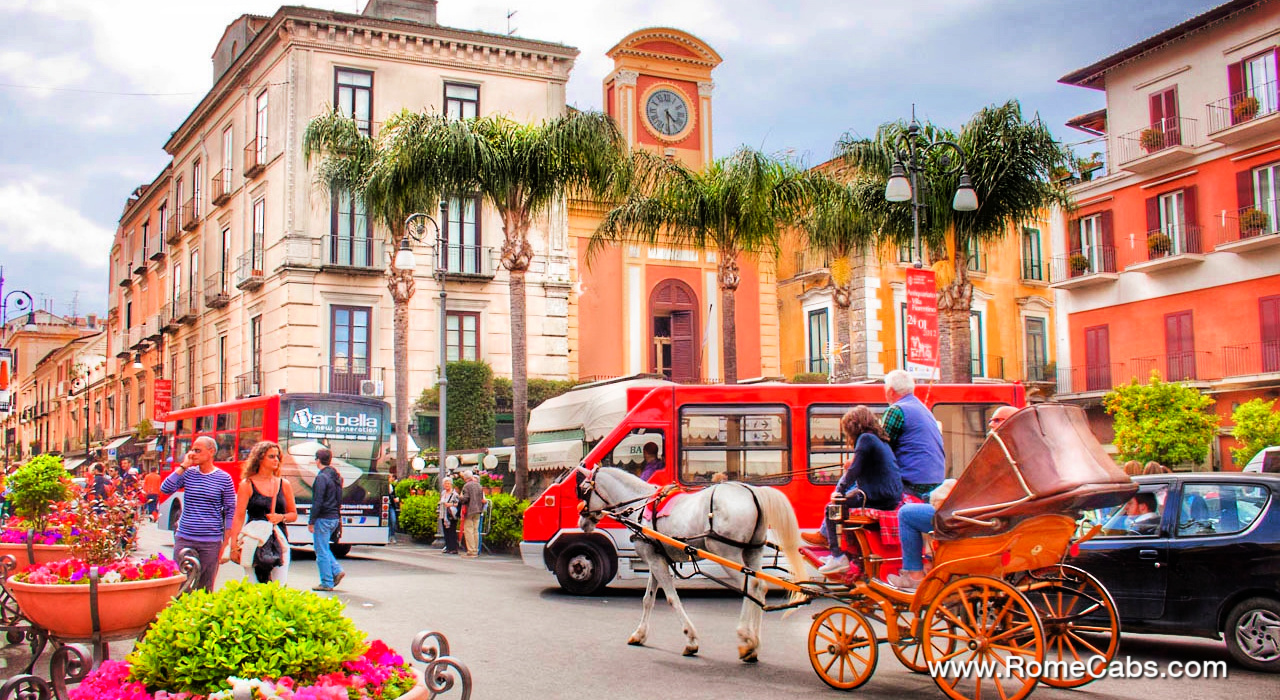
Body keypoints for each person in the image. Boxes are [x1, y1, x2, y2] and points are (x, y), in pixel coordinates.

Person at [818, 406, 904, 575]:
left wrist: (840, 491)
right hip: (889, 496)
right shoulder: (879, 439)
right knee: (841, 505)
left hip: (877, 496)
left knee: (831, 509)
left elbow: (854, 470)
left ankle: (838, 557)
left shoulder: (865, 439)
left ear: (853, 426)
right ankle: (843, 552)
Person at [161, 436, 237, 591]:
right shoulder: (188, 474)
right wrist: (183, 466)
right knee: (180, 583)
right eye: (192, 450)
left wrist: (225, 544)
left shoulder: (224, 478)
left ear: (211, 452)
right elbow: (165, 488)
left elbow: (230, 512)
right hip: (185, 537)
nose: (193, 454)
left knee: (205, 586)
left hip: (210, 540)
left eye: (197, 450)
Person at [227, 441, 297, 584]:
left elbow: (293, 514)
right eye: (271, 456)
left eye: (278, 457)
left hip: (278, 541)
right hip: (253, 541)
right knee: (253, 586)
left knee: (278, 586)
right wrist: (234, 546)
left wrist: (281, 517)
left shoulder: (284, 484)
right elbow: (239, 516)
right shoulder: (247, 484)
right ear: (259, 459)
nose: (276, 460)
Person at [880, 369, 945, 499]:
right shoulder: (924, 409)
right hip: (935, 480)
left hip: (912, 482)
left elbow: (881, 448)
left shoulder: (896, 410)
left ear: (890, 391)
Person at [885, 479, 957, 590]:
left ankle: (915, 576)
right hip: (981, 515)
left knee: (906, 514)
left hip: (963, 515)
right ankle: (928, 562)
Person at [308, 447, 345, 591]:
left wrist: (311, 521)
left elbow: (317, 501)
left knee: (320, 550)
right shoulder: (336, 477)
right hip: (334, 517)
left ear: (318, 460)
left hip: (323, 518)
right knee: (323, 547)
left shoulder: (321, 478)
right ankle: (336, 570)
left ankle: (326, 582)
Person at [459, 470, 485, 558]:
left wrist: (460, 498)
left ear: (465, 478)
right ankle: (475, 550)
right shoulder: (478, 485)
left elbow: (466, 498)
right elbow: (481, 498)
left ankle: (471, 550)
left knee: (468, 530)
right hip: (478, 510)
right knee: (475, 531)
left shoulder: (466, 486)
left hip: (469, 510)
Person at [437, 478, 460, 554]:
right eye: (445, 483)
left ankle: (453, 548)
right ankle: (448, 547)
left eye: (448, 483)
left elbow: (458, 504)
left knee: (452, 531)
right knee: (446, 531)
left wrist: (450, 504)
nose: (447, 485)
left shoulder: (455, 494)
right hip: (444, 514)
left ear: (451, 484)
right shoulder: (443, 493)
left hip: (451, 515)